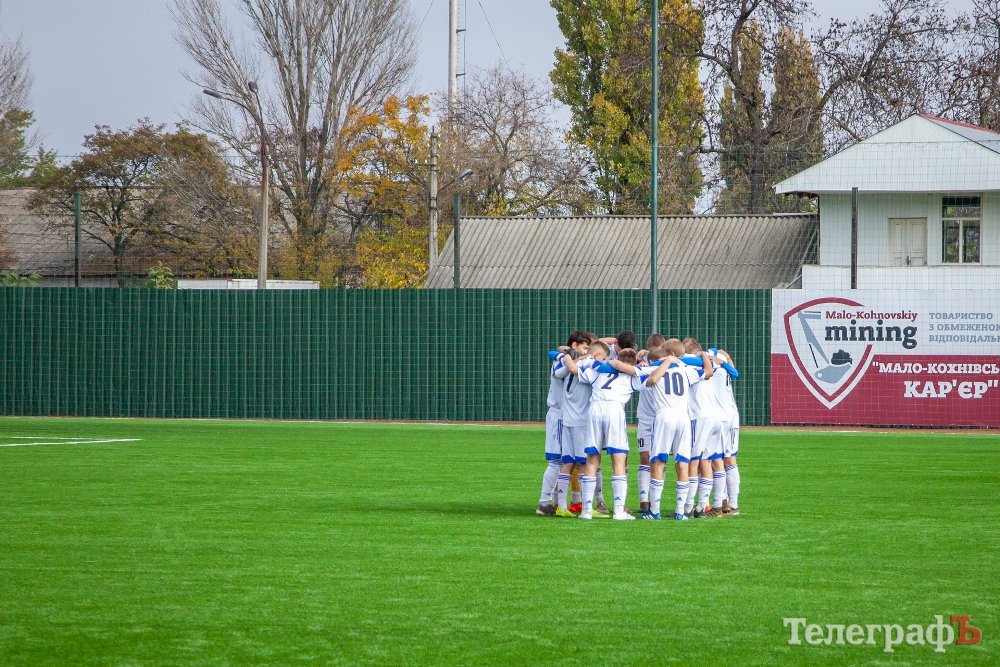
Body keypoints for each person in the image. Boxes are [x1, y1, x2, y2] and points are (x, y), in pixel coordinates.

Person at [562, 341, 637, 520]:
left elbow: (574, 370)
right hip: (614, 410)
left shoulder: (597, 370)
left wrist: (567, 357)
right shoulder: (631, 375)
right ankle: (619, 511)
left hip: (594, 409)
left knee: (592, 459)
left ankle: (586, 511)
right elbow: (649, 378)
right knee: (618, 459)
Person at [634, 346, 707, 519]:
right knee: (682, 463)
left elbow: (649, 380)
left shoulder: (654, 368)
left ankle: (655, 510)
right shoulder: (686, 370)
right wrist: (703, 356)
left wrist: (660, 363)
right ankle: (680, 512)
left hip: (664, 416)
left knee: (658, 461)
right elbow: (708, 372)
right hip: (683, 417)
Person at [549, 331, 592, 518]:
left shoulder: (566, 365)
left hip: (567, 420)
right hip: (581, 421)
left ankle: (562, 506)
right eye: (585, 347)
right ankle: (586, 506)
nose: (587, 351)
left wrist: (565, 356)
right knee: (584, 464)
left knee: (568, 463)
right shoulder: (588, 366)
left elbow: (558, 371)